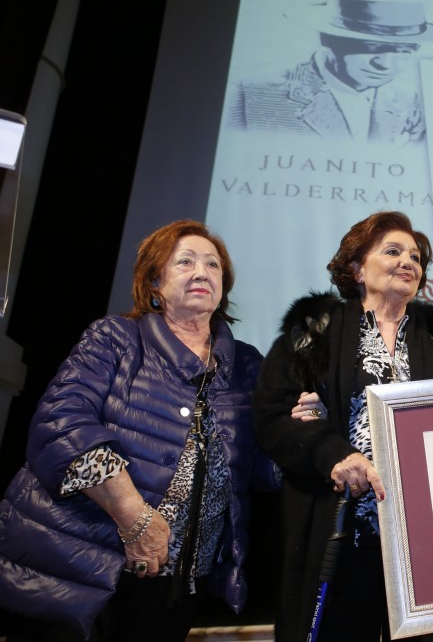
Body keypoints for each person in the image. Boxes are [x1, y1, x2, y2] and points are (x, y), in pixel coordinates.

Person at [0, 220, 267, 641]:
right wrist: (135, 517)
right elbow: (60, 424)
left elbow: (261, 470)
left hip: (178, 583)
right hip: (83, 566)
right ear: (155, 282)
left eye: (212, 265)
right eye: (186, 262)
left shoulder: (248, 366)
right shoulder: (116, 338)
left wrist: (299, 424)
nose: (202, 272)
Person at [251, 211, 433, 642]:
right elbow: (273, 416)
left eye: (415, 256)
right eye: (393, 251)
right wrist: (332, 453)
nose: (408, 261)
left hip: (429, 537)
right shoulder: (315, 331)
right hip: (339, 524)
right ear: (356, 267)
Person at [228, 0, 433, 144]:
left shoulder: (407, 98)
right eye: (371, 47)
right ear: (328, 39)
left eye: (404, 51)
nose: (385, 64)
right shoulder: (250, 91)